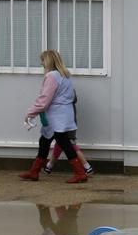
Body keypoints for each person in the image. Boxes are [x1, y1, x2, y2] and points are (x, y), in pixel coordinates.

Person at [19, 50, 90, 183]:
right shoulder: (64, 75)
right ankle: (34, 172)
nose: (41, 63)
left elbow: (44, 99)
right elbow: (71, 96)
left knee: (63, 142)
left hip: (56, 115)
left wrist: (31, 112)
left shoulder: (51, 76)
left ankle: (80, 173)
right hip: (63, 114)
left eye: (42, 61)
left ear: (47, 61)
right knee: (45, 141)